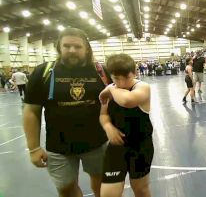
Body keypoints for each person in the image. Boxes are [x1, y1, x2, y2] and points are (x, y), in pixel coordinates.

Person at [23, 28, 109, 197]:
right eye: (67, 46)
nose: (72, 50)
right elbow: (31, 111)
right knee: (66, 189)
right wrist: (33, 148)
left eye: (77, 46)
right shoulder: (43, 72)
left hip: (97, 142)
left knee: (101, 184)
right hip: (59, 146)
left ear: (86, 48)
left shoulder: (101, 72)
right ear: (59, 47)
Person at [98, 53, 153, 197]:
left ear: (134, 73)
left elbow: (127, 101)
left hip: (140, 147)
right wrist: (108, 127)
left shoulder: (142, 87)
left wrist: (110, 88)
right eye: (116, 78)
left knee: (141, 190)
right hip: (116, 147)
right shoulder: (111, 90)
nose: (122, 83)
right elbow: (103, 115)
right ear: (111, 75)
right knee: (108, 194)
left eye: (126, 78)